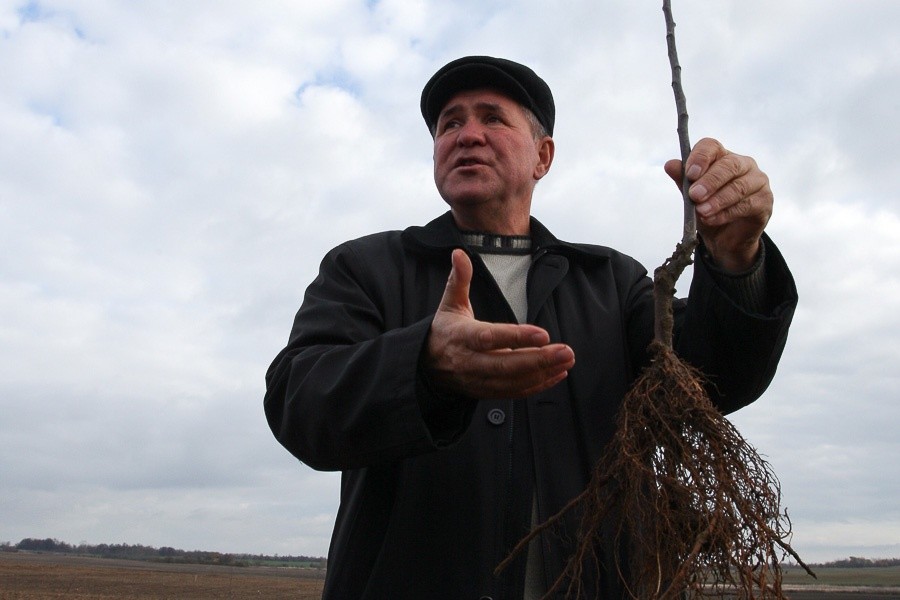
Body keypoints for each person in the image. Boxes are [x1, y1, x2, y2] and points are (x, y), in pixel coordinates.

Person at [264, 56, 797, 599]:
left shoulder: (611, 282)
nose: (467, 135)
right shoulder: (368, 268)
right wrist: (423, 363)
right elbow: (298, 400)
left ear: (543, 156)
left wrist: (737, 262)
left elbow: (713, 380)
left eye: (492, 118)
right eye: (450, 124)